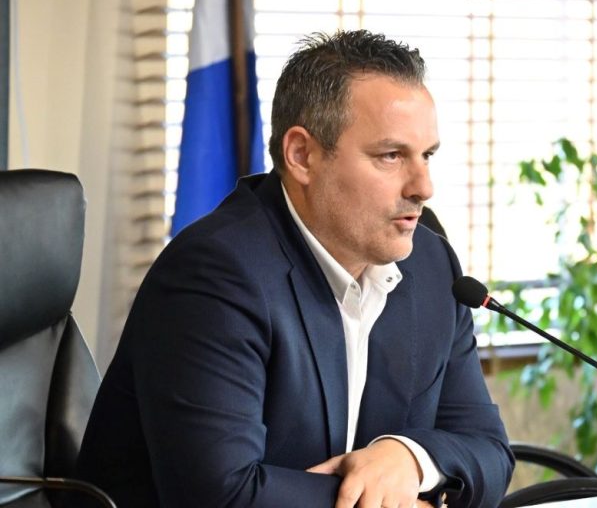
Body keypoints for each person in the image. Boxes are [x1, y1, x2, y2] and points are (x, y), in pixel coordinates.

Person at [77, 30, 514, 508]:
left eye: (426, 155)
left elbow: (489, 452)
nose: (423, 187)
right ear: (302, 155)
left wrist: (409, 457)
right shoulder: (214, 273)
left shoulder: (431, 265)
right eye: (391, 156)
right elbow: (222, 496)